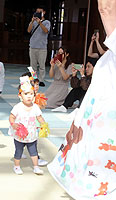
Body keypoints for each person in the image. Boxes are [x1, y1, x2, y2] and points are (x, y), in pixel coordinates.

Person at [48, 0, 116, 198]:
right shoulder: (108, 56)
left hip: (106, 121)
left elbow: (106, 8)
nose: (102, 9)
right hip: (95, 116)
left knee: (99, 165)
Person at [8, 76, 47, 175]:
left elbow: (39, 117)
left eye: (31, 94)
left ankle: (36, 167)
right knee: (18, 152)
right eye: (26, 94)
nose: (29, 96)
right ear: (20, 96)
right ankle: (16, 166)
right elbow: (11, 117)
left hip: (31, 134)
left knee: (34, 152)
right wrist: (13, 124)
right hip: (19, 135)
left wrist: (43, 124)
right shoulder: (17, 107)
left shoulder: (35, 107)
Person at [27, 6, 51, 87]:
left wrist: (40, 22)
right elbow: (29, 30)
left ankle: (41, 80)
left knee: (42, 65)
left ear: (44, 12)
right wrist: (32, 21)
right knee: (33, 65)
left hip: (42, 47)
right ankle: (34, 79)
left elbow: (46, 31)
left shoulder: (47, 22)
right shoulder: (33, 22)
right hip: (33, 46)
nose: (38, 13)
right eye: (37, 12)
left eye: (40, 12)